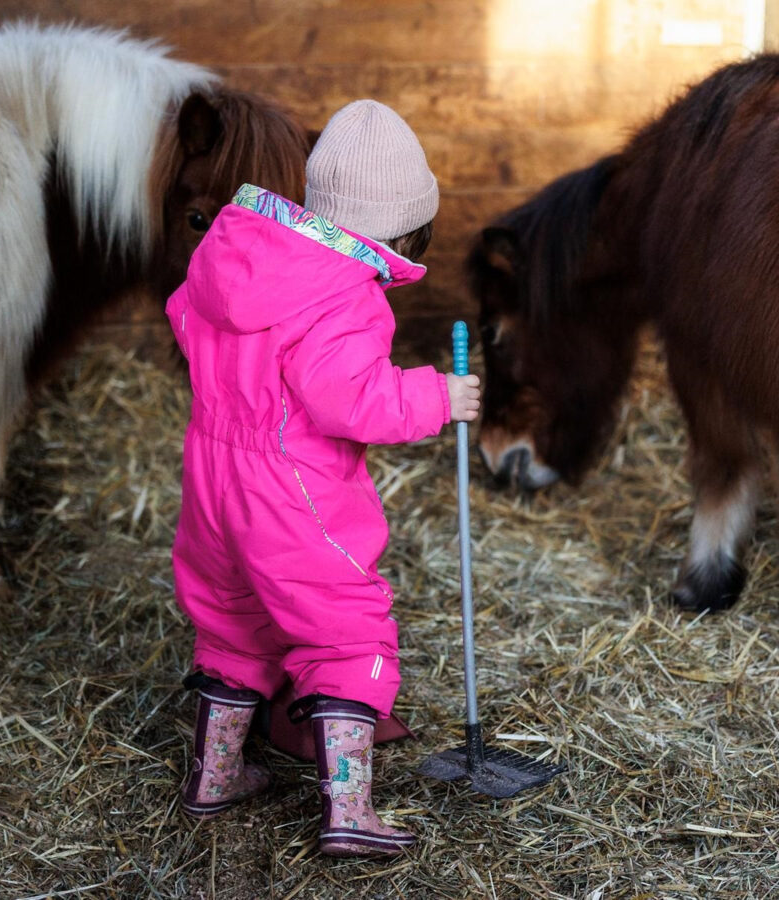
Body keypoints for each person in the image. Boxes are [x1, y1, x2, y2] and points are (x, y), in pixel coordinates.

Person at [166, 99, 480, 858]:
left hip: (213, 473)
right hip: (291, 487)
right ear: (404, 224)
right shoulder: (343, 290)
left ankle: (215, 777)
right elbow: (350, 400)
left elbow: (183, 317)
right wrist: (440, 395)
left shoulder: (234, 251)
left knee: (233, 619)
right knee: (344, 627)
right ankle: (349, 810)